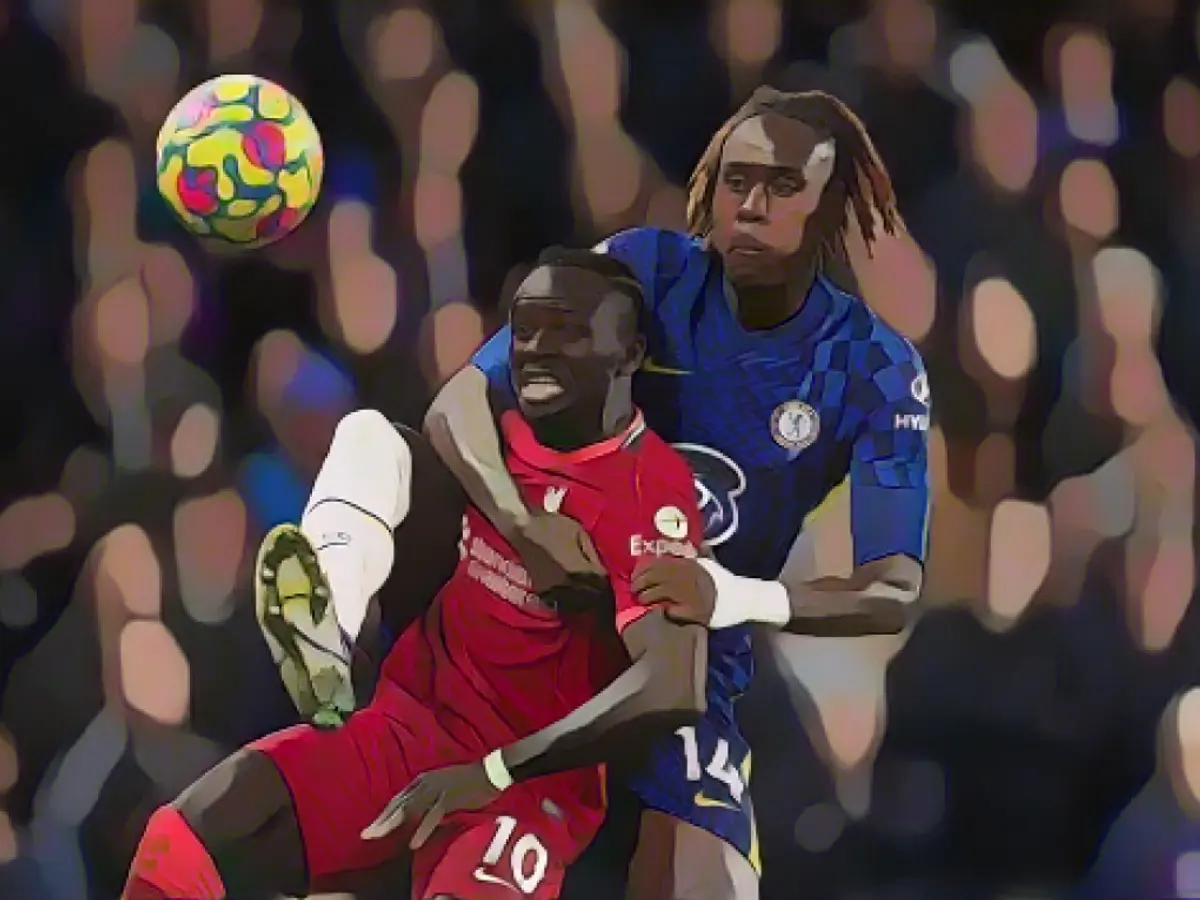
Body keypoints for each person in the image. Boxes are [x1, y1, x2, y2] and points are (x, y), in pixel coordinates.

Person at [421, 87, 932, 899]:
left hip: (687, 660)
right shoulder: (647, 272)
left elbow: (895, 587)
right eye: (736, 182)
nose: (752, 206)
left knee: (711, 887)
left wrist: (739, 596)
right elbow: (457, 405)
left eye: (783, 186)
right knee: (381, 449)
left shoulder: (872, 368)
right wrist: (523, 527)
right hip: (540, 613)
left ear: (829, 205)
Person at [120, 248, 711, 900]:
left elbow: (674, 685)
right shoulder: (492, 433)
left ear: (628, 355)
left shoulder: (650, 494)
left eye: (567, 329)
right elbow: (447, 408)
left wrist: (493, 771)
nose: (538, 347)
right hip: (407, 729)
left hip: (520, 791)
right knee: (181, 842)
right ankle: (328, 629)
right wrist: (522, 526)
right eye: (526, 328)